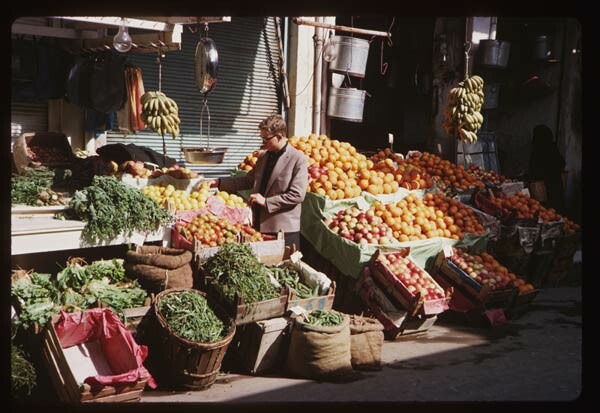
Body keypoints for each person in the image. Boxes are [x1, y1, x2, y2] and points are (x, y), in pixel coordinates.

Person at [210, 114, 308, 249]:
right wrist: (220, 182)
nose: (262, 143)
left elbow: (297, 195)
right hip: (258, 226)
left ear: (279, 137)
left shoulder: (298, 159)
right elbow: (249, 180)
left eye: (266, 139)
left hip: (283, 230)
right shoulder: (263, 156)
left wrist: (266, 202)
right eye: (261, 138)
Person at [528, 124, 566, 213]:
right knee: (557, 209)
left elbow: (533, 168)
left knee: (546, 211)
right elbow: (562, 163)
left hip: (543, 186)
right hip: (555, 183)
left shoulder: (537, 150)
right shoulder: (552, 147)